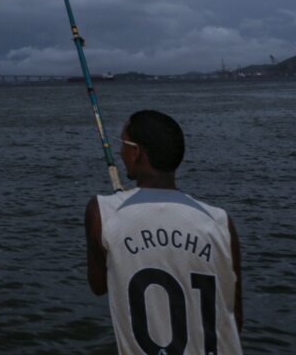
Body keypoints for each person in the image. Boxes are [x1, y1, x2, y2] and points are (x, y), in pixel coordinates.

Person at [85, 110, 243, 355]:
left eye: (123, 144)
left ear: (137, 152)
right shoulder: (220, 222)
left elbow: (98, 284)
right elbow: (232, 316)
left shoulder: (102, 212)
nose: (119, 152)